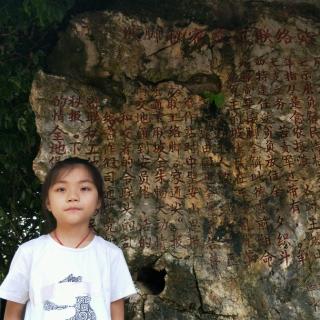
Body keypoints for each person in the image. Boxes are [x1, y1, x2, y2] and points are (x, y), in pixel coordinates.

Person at [0, 157, 136, 320]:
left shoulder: (111, 254)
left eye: (84, 188)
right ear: (48, 203)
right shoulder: (29, 252)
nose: (73, 196)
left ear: (98, 200)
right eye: (61, 189)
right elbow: (13, 312)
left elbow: (116, 312)